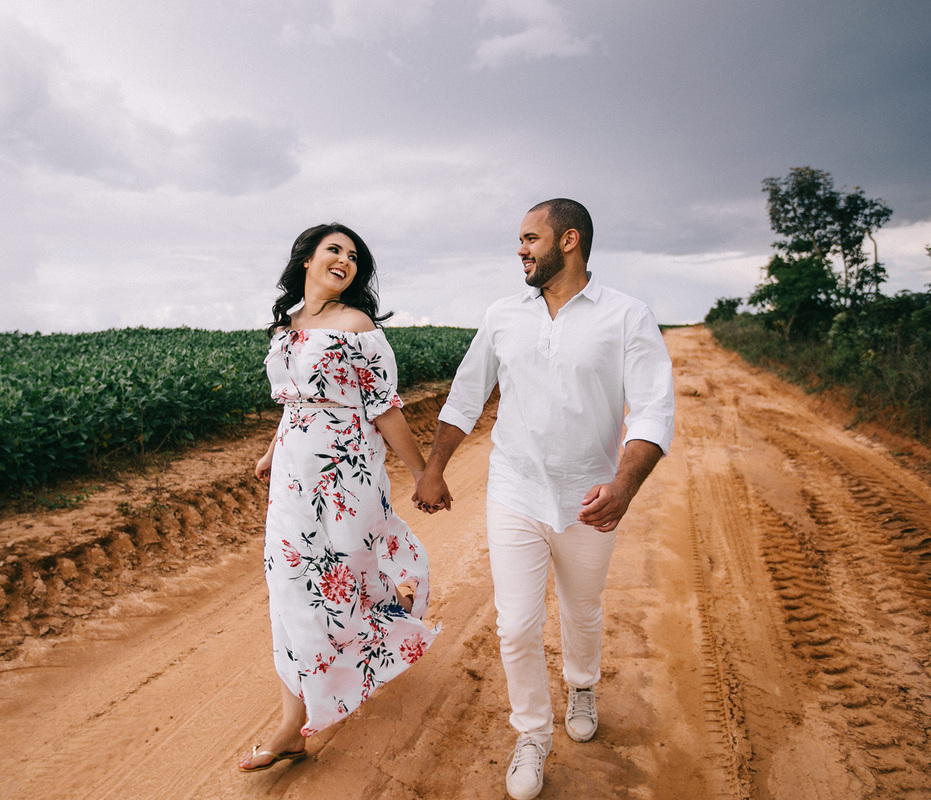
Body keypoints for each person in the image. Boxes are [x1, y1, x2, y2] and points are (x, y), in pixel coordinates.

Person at [413, 199, 674, 800]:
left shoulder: (627, 316)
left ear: (570, 241)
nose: (521, 250)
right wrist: (434, 468)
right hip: (515, 490)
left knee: (582, 610)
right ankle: (531, 733)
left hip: (589, 497)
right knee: (517, 626)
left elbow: (655, 408)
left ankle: (582, 686)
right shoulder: (504, 315)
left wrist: (625, 485)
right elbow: (466, 394)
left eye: (530, 239)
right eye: (520, 241)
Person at [238, 223, 440, 773]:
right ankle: (292, 727)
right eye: (335, 249)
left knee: (341, 585)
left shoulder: (358, 326)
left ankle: (387, 616)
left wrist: (425, 474)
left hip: (345, 477)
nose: (345, 261)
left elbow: (385, 408)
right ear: (306, 258)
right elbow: (294, 403)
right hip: (293, 479)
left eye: (354, 256)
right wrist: (272, 451)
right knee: (289, 590)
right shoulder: (286, 326)